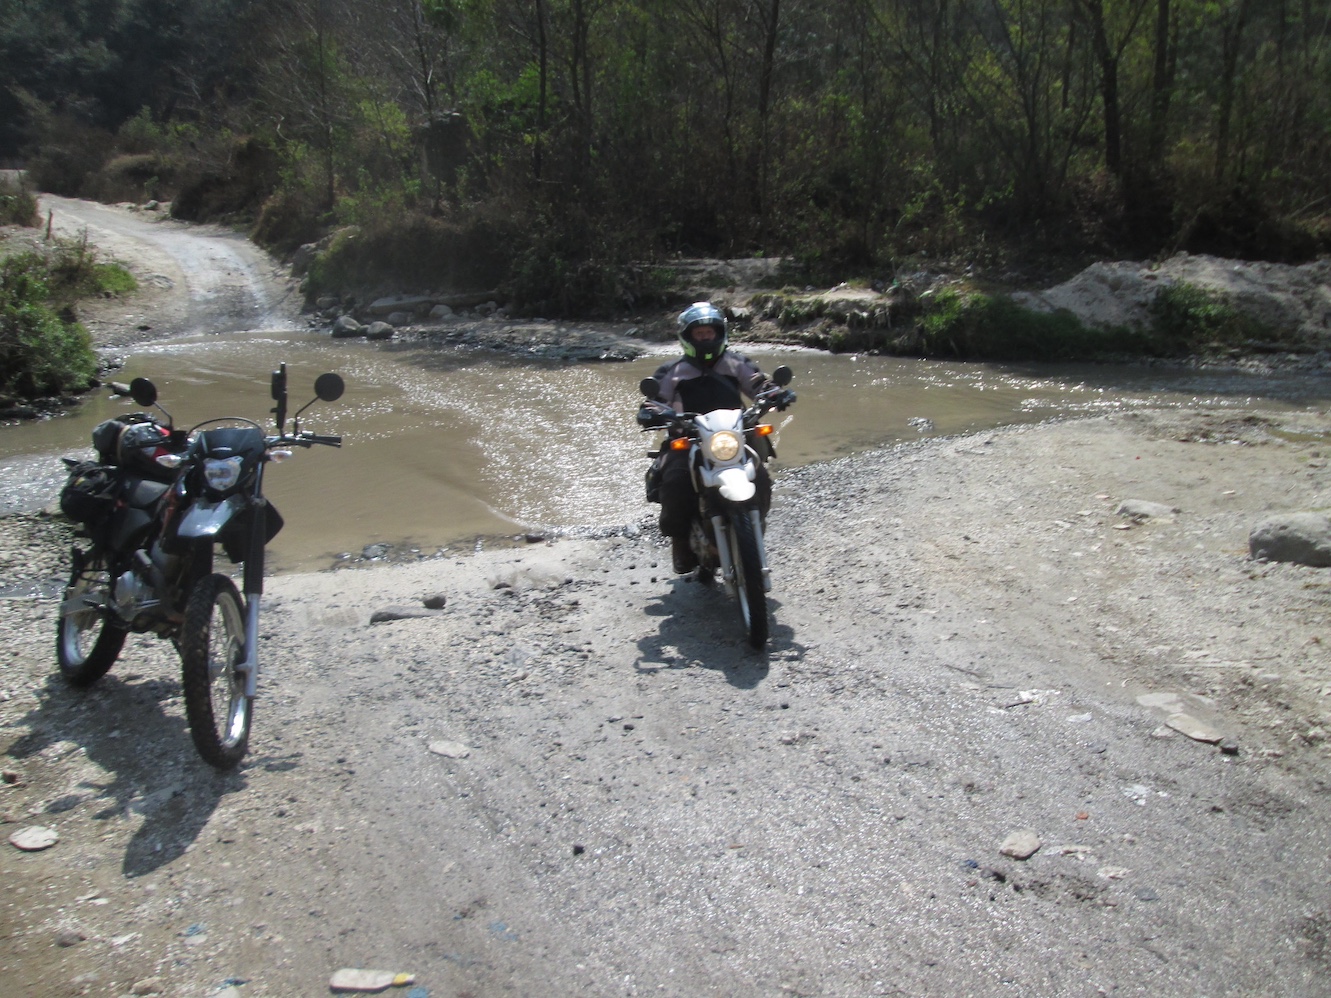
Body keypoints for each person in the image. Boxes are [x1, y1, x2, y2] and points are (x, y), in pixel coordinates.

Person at [637, 302, 795, 574]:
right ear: (688, 338)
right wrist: (650, 412)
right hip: (690, 436)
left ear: (719, 333)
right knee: (674, 481)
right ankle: (681, 543)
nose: (706, 338)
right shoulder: (671, 371)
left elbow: (759, 384)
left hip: (735, 433)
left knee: (760, 476)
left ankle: (753, 525)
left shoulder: (736, 362)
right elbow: (656, 400)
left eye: (710, 332)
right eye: (699, 334)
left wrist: (775, 394)